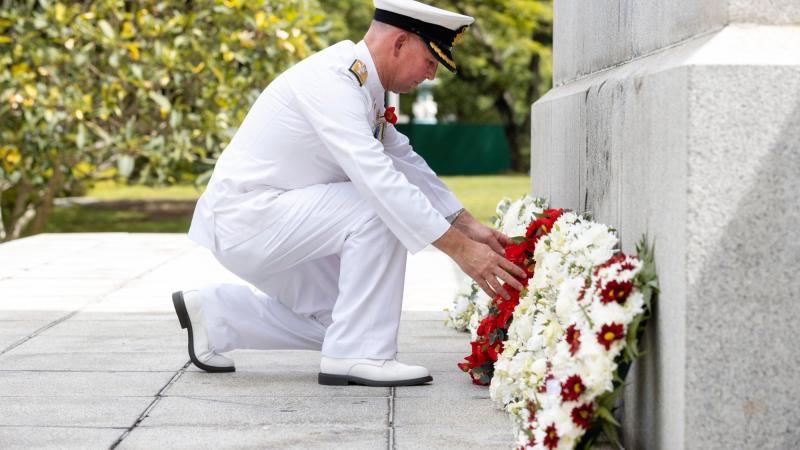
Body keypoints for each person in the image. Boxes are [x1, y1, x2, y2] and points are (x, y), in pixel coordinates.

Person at [172, 0, 527, 387]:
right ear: (400, 43)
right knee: (376, 206)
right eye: (430, 61)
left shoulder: (363, 85)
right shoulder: (332, 80)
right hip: (247, 219)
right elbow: (376, 178)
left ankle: (216, 315)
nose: (430, 76)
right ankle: (360, 354)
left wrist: (468, 226)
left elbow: (404, 160)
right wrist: (460, 250)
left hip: (269, 221)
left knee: (342, 318)